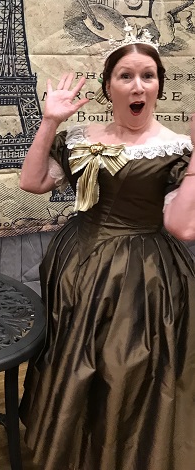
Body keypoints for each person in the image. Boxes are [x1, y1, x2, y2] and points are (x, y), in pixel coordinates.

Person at [18, 36, 195, 470]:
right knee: (72, 356)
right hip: (76, 263)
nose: (138, 85)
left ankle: (125, 452)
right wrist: (49, 122)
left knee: (126, 365)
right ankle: (70, 447)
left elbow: (183, 227)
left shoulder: (176, 149)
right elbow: (33, 182)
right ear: (108, 85)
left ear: (158, 85)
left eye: (148, 76)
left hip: (144, 274)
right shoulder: (82, 136)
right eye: (126, 75)